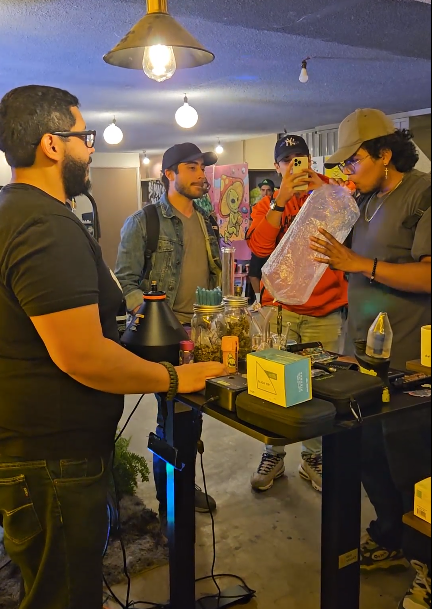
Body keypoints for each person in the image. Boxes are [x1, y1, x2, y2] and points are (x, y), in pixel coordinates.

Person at [0, 85, 225, 609]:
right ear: (52, 144)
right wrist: (174, 378)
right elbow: (81, 355)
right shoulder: (43, 225)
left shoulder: (17, 211)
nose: (91, 148)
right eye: (86, 136)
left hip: (38, 449)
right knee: (65, 594)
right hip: (53, 457)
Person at [311, 109, 431, 609]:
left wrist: (360, 264)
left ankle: (427, 567)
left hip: (410, 359)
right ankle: (390, 535)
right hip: (360, 353)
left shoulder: (422, 194)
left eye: (354, 160)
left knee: (411, 461)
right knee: (365, 452)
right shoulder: (362, 200)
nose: (348, 171)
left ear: (385, 154)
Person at [115, 143, 222, 523]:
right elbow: (124, 281)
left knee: (193, 418)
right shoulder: (144, 222)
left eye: (202, 168)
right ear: (169, 174)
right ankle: (170, 503)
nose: (200, 175)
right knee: (173, 421)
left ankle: (184, 484)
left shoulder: (207, 221)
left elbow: (214, 276)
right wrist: (152, 318)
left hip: (203, 335)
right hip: (166, 340)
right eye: (191, 167)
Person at [247, 135, 348, 493]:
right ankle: (273, 452)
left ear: (310, 160)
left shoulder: (330, 192)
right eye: (287, 160)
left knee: (321, 386)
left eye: (300, 158)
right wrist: (281, 200)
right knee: (275, 384)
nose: (294, 165)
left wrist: (323, 190)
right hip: (281, 309)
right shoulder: (267, 203)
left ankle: (313, 456)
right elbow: (259, 247)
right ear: (277, 167)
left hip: (326, 307)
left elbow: (349, 219)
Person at [249, 179, 276, 301]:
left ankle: (268, 299)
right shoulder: (255, 206)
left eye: (268, 190)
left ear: (272, 192)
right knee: (253, 274)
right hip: (258, 244)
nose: (265, 193)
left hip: (272, 245)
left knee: (269, 275)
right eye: (263, 190)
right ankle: (258, 299)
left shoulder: (276, 206)